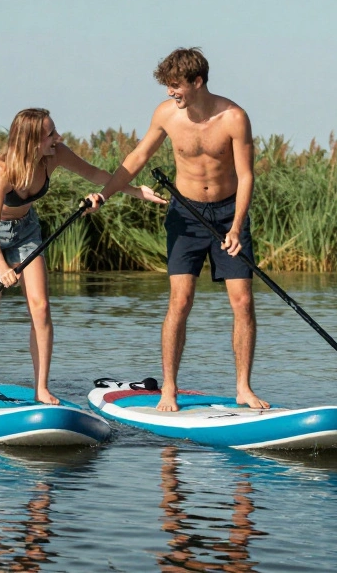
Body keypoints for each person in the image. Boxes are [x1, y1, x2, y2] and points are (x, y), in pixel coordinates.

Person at [86, 48, 268, 412]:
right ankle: (169, 388)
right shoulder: (167, 115)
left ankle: (243, 388)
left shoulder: (234, 117)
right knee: (180, 301)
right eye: (168, 87)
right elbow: (136, 159)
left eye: (176, 86)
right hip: (185, 215)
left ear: (197, 81)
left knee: (243, 302)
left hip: (229, 213)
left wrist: (235, 227)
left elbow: (246, 175)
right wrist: (104, 196)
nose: (171, 93)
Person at [0, 108, 165, 406]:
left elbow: (95, 174)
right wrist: (2, 267)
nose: (59, 137)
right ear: (31, 141)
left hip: (26, 230)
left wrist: (135, 191)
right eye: (50, 134)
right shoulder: (2, 170)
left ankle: (41, 388)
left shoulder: (55, 155)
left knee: (41, 306)